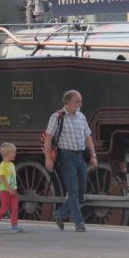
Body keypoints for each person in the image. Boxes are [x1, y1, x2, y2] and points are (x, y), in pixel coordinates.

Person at [44, 90, 98, 232]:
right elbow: (48, 138)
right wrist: (48, 158)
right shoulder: (57, 117)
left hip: (80, 156)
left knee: (81, 192)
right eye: (77, 101)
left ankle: (60, 214)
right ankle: (79, 223)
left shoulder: (81, 117)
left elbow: (88, 137)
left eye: (80, 102)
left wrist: (93, 155)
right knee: (73, 190)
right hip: (66, 156)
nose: (80, 104)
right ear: (68, 102)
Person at [0, 142, 23, 233]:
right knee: (4, 208)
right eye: (13, 152)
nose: (15, 154)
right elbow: (1, 177)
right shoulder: (2, 165)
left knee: (14, 208)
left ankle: (14, 226)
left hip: (13, 191)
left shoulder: (12, 165)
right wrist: (9, 188)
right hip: (5, 191)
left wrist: (13, 189)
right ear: (7, 154)